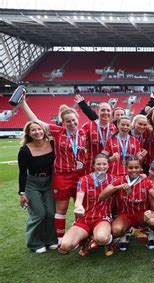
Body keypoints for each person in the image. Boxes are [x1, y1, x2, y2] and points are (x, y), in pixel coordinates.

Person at [20, 97, 88, 244]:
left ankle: (80, 238)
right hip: (62, 176)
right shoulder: (58, 132)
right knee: (61, 210)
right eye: (68, 121)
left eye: (73, 120)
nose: (71, 123)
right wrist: (23, 103)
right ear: (63, 122)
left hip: (80, 176)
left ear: (78, 118)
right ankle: (60, 239)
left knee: (80, 208)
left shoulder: (84, 133)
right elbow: (36, 121)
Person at [58, 154, 116, 256]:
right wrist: (78, 207)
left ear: (108, 165)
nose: (101, 166)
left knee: (102, 238)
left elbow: (129, 183)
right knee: (65, 246)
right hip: (84, 219)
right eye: (98, 164)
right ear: (93, 166)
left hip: (102, 218)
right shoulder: (84, 180)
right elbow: (78, 200)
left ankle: (108, 241)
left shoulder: (114, 180)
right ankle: (87, 239)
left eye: (104, 164)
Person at [99, 156, 154, 251]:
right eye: (130, 168)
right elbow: (101, 197)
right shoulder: (119, 180)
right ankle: (124, 235)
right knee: (116, 230)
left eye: (136, 167)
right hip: (125, 215)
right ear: (126, 168)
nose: (134, 170)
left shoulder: (146, 181)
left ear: (141, 168)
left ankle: (151, 236)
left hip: (141, 215)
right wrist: (117, 188)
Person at [17, 121, 57, 253]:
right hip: (32, 183)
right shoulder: (24, 150)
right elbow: (22, 172)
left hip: (50, 181)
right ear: (28, 133)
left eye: (39, 129)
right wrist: (22, 193)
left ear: (44, 130)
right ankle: (34, 243)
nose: (37, 132)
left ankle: (51, 240)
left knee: (51, 212)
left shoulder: (52, 143)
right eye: (33, 130)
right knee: (39, 213)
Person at [81, 102, 116, 172]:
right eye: (103, 110)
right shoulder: (87, 126)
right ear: (97, 112)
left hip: (109, 167)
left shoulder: (114, 127)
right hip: (91, 167)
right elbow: (81, 145)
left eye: (108, 110)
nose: (106, 113)